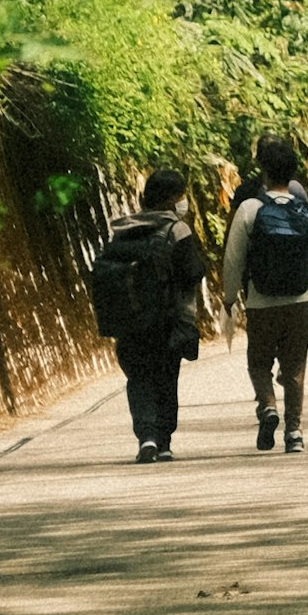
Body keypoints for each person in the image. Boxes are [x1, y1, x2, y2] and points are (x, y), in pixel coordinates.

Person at [92, 168, 209, 463]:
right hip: (168, 320)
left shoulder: (124, 229)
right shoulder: (176, 229)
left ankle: (146, 437)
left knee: (139, 378)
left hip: (130, 320)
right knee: (166, 378)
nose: (184, 202)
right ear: (171, 200)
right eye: (181, 196)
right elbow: (193, 272)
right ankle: (164, 441)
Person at [226, 134, 308, 454]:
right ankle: (295, 432)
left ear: (263, 171)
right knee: (295, 366)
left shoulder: (249, 208)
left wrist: (230, 297)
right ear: (293, 172)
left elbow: (234, 259)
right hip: (300, 299)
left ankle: (268, 406)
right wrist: (299, 269)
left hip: (260, 299)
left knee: (259, 361)